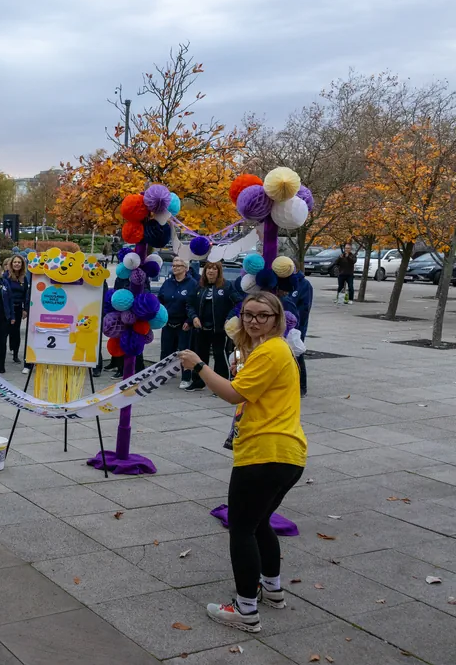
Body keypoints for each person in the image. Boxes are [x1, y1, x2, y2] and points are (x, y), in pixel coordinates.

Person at [178, 292, 306, 633]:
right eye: (249, 314)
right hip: (287, 455)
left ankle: (245, 609)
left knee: (243, 528)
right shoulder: (272, 350)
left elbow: (235, 393)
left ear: (276, 320)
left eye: (262, 316)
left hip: (264, 454)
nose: (253, 321)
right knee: (260, 522)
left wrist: (199, 366)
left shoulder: (272, 350)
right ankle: (272, 590)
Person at [185, 261, 237, 392]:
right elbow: (189, 304)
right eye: (208, 269)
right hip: (201, 329)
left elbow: (239, 303)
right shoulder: (199, 286)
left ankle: (221, 385)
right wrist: (194, 317)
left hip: (219, 329)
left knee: (220, 356)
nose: (211, 271)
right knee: (200, 356)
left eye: (214, 269)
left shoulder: (227, 286)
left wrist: (229, 318)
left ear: (219, 272)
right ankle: (198, 382)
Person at [158, 257, 198, 389]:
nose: (175, 268)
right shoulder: (168, 283)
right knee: (166, 350)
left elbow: (193, 305)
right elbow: (160, 300)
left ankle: (186, 377)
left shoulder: (192, 284)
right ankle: (163, 375)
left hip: (184, 323)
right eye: (174, 265)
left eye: (179, 266)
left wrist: (189, 320)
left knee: (183, 351)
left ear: (185, 269)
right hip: (168, 322)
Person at [281, 262, 313, 397]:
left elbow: (304, 308)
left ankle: (301, 386)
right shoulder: (281, 282)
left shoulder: (304, 284)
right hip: (281, 327)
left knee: (297, 355)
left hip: (295, 327)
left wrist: (296, 327)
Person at [4, 254, 30, 364]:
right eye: (15, 262)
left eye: (19, 262)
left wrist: (26, 309)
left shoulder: (24, 278)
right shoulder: (6, 276)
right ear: (11, 263)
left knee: (16, 332)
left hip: (18, 307)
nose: (17, 264)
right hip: (7, 308)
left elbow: (26, 295)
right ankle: (2, 354)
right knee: (5, 331)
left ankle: (15, 354)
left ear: (22, 264)